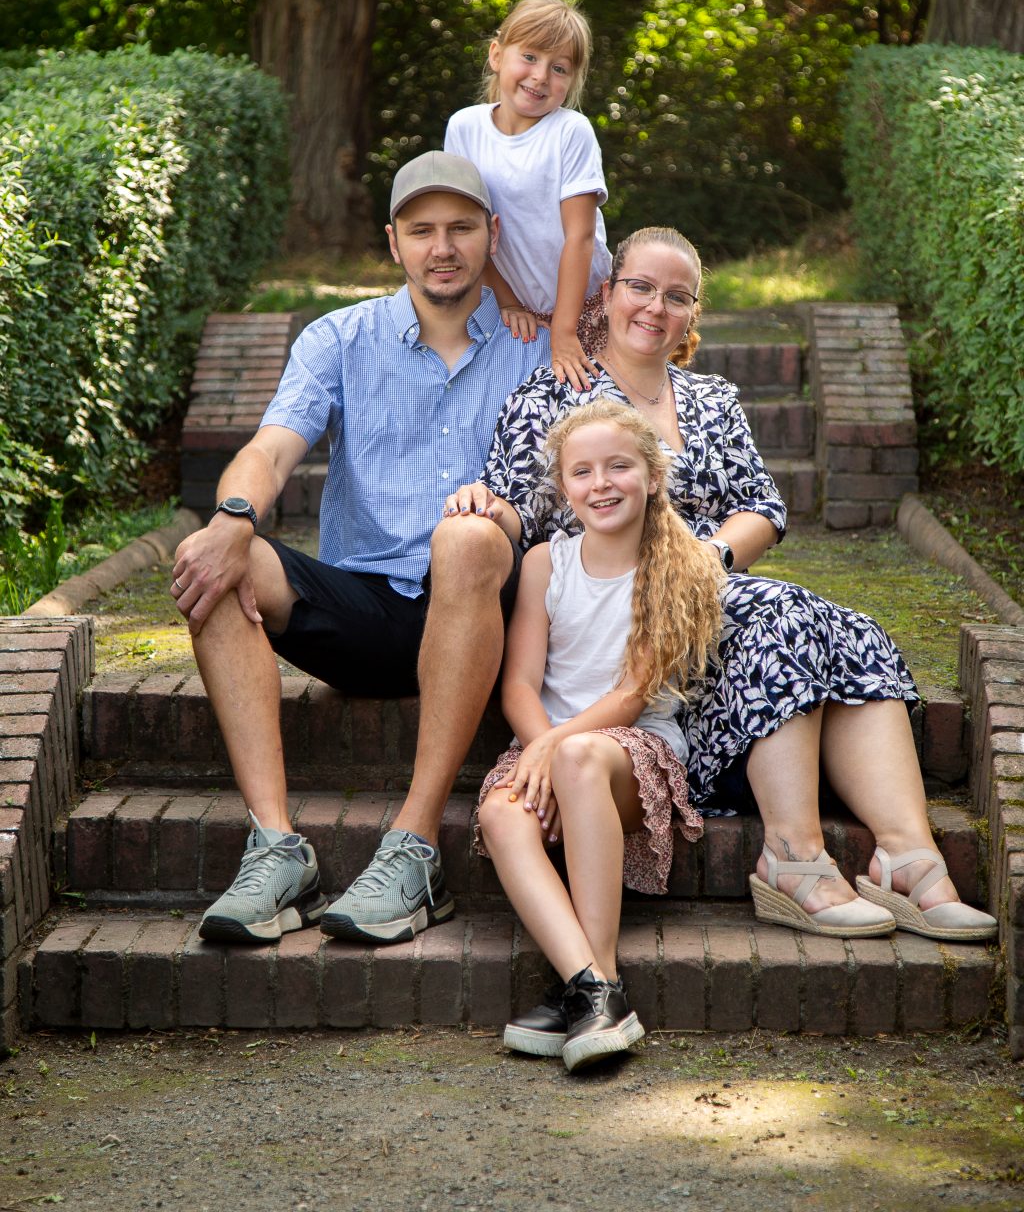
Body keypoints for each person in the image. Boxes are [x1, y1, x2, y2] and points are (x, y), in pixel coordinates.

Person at [446, 225, 998, 943]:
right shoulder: (554, 392)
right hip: (622, 607)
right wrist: (481, 506)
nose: (656, 307)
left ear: (691, 315)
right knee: (780, 612)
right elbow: (519, 508)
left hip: (708, 582)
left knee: (848, 630)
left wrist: (706, 561)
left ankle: (908, 857)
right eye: (640, 287)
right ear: (607, 294)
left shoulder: (712, 399)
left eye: (677, 296)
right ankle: (794, 857)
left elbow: (763, 507)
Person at [169, 151, 551, 945]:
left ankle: (414, 848)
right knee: (220, 558)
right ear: (393, 240)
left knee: (467, 538)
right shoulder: (339, 338)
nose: (442, 247)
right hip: (367, 616)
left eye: (460, 228)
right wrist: (232, 519)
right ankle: (278, 848)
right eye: (422, 230)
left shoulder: (539, 348)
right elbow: (272, 448)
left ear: (492, 234)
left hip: (487, 610)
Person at [478, 400, 724, 1070]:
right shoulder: (544, 563)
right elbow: (519, 685)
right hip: (545, 743)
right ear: (564, 487)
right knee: (500, 815)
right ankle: (592, 989)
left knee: (583, 757)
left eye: (619, 466)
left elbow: (633, 695)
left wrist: (554, 750)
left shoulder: (679, 565)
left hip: (629, 748)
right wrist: (541, 749)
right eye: (581, 471)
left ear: (652, 476)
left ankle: (598, 976)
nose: (601, 483)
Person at [444, 0, 611, 392]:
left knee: (592, 410)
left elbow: (580, 236)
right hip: (512, 308)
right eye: (530, 57)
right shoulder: (465, 128)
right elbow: (468, 230)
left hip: (586, 310)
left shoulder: (571, 132)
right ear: (497, 55)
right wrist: (507, 301)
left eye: (559, 68)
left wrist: (565, 332)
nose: (540, 76)